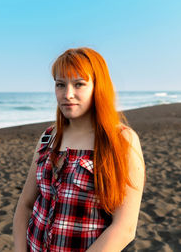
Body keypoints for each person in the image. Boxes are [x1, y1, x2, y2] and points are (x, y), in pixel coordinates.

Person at [13, 47, 145, 251]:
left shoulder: (121, 140)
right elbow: (26, 205)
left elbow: (124, 228)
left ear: (98, 87)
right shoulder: (49, 136)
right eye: (60, 84)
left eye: (79, 84)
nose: (68, 94)